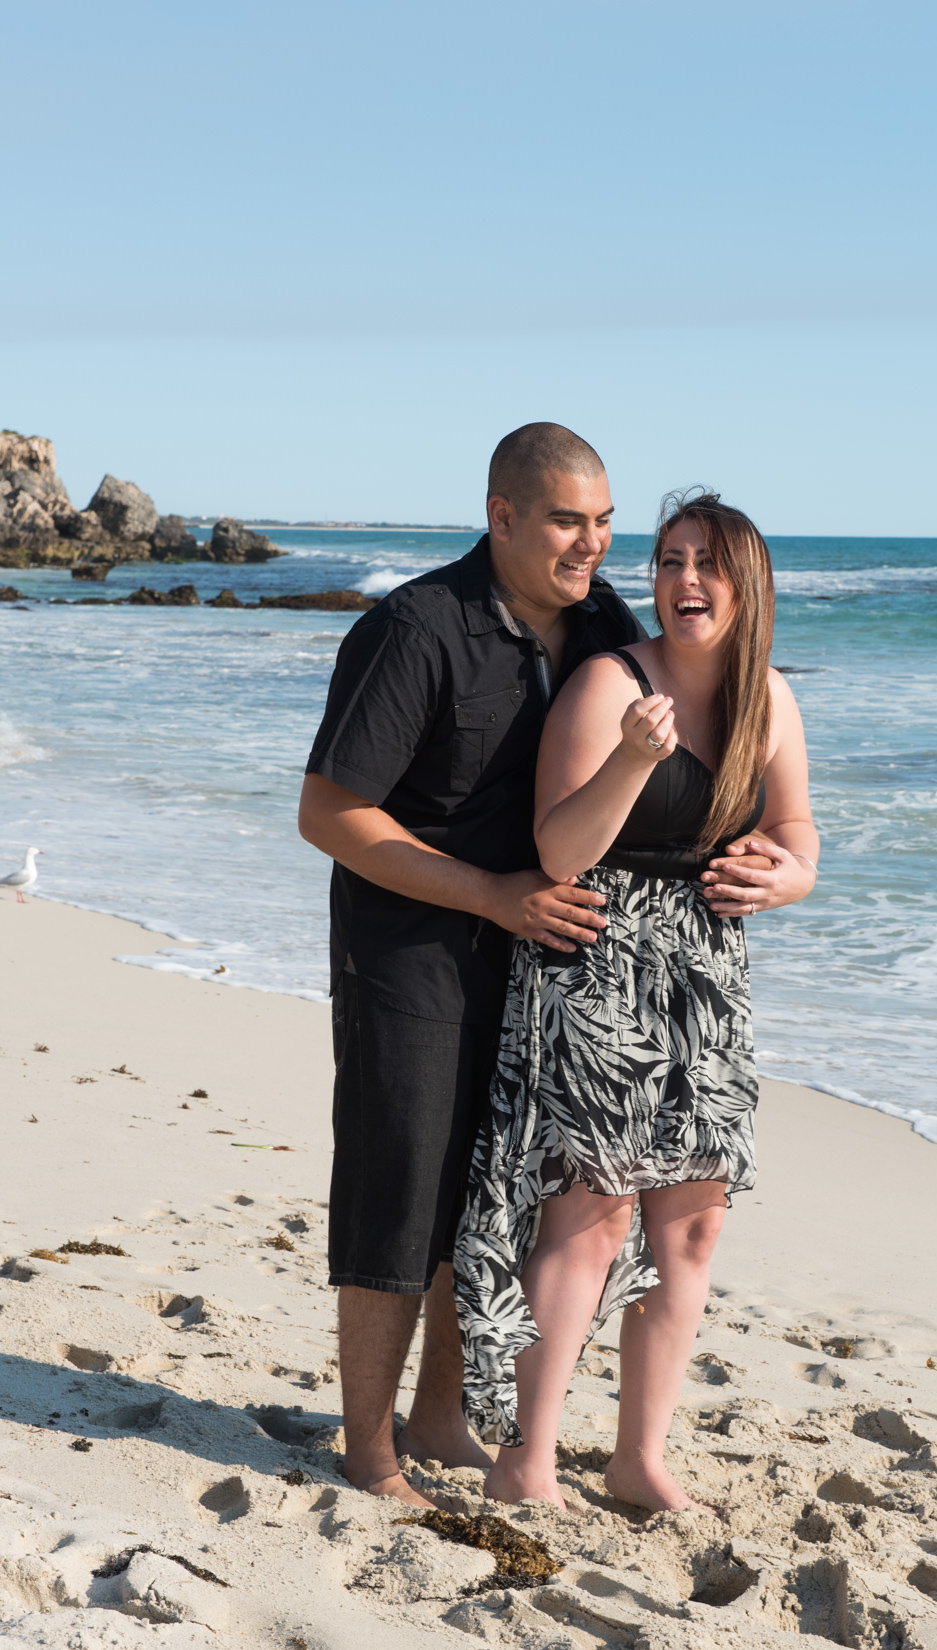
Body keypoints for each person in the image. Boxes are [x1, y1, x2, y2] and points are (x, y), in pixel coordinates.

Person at [298, 423, 645, 1506]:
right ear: (500, 517)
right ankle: (368, 1450)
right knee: (399, 1182)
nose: (587, 544)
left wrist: (770, 841)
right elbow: (330, 812)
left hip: (537, 958)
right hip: (406, 946)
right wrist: (491, 892)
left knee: (484, 1192)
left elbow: (681, 732)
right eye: (563, 521)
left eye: (600, 522)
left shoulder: (603, 625)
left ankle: (440, 1418)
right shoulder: (416, 628)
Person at [454, 490, 820, 1513]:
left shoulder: (771, 700)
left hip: (708, 974)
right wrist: (632, 756)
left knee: (692, 1226)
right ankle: (528, 1460)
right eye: (668, 560)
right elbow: (560, 849)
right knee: (591, 1217)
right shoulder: (606, 682)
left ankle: (637, 1459)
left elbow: (799, 836)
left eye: (708, 563)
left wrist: (785, 879)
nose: (685, 580)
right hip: (599, 956)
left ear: (748, 584)